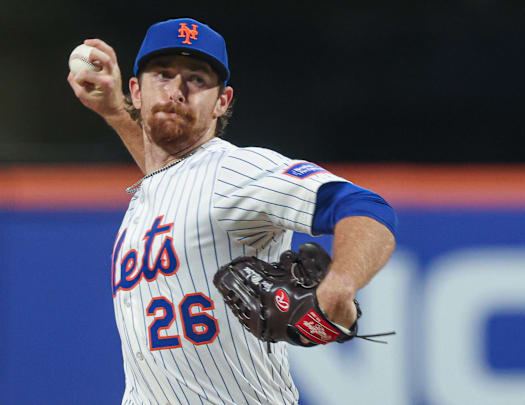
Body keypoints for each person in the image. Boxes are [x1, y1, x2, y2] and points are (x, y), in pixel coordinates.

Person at [68, 17, 397, 405]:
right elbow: (170, 176)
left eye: (197, 80)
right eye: (163, 74)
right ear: (136, 91)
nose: (176, 91)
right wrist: (115, 113)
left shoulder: (235, 172)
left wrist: (341, 283)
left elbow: (366, 207)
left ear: (221, 103)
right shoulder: (156, 187)